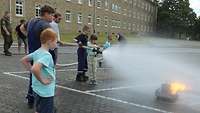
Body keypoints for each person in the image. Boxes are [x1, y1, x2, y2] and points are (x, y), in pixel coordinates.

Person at [20, 5, 55, 108]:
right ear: (46, 14)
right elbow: (51, 40)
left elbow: (21, 28)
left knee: (33, 76)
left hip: (33, 53)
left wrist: (30, 37)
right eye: (52, 15)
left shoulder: (31, 20)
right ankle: (43, 103)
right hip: (43, 53)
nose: (52, 18)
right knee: (45, 77)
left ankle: (31, 99)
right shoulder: (46, 25)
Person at [21, 28, 57, 113]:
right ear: (49, 41)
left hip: (36, 89)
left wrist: (33, 72)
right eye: (55, 42)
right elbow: (35, 68)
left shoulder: (37, 52)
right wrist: (43, 80)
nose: (56, 44)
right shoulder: (47, 55)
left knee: (39, 110)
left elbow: (24, 60)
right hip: (46, 92)